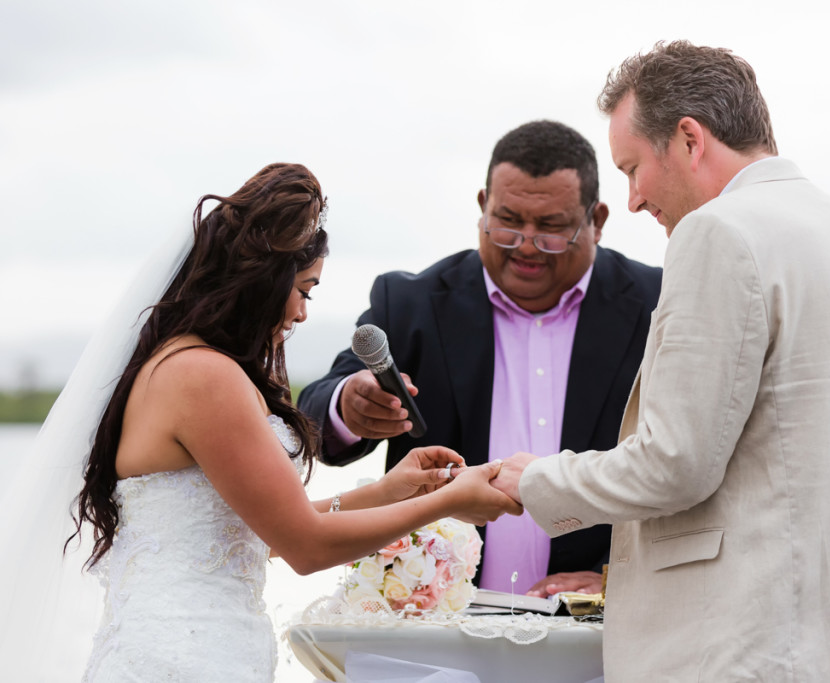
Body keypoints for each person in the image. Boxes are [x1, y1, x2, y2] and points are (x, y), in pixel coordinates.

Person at [489, 41, 830, 680]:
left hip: (753, 652)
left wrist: (536, 482)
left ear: (690, 140)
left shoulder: (718, 232)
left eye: (633, 167)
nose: (634, 199)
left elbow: (676, 464)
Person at [2, 163, 519, 682]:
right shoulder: (203, 377)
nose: (302, 314)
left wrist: (388, 491)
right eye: (305, 290)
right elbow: (306, 546)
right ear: (263, 283)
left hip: (203, 653)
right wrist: (450, 500)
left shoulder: (189, 366)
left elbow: (258, 531)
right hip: (182, 662)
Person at [298, 121, 662, 596]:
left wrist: (618, 581)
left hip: (600, 643)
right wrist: (348, 405)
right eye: (508, 222)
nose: (527, 245)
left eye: (552, 228)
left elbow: (684, 469)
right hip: (434, 637)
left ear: (596, 220)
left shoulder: (658, 303)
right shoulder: (412, 302)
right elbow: (311, 417)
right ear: (481, 207)